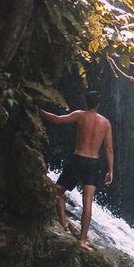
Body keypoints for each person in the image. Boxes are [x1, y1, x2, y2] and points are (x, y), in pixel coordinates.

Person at [41, 90, 114, 251]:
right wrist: (110, 171)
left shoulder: (80, 115)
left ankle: (63, 223)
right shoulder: (106, 123)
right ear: (98, 104)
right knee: (87, 203)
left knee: (58, 192)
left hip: (78, 160)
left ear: (86, 102)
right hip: (93, 164)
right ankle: (82, 240)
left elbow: (57, 119)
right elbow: (109, 149)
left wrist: (39, 111)